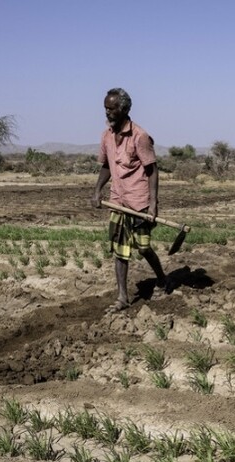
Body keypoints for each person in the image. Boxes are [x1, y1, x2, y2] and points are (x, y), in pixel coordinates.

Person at [91, 87, 169, 311]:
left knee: (143, 248)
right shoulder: (106, 135)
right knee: (120, 250)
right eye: (105, 108)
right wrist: (97, 190)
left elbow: (152, 170)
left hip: (139, 202)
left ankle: (161, 278)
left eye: (111, 108)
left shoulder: (140, 136)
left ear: (123, 109)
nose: (107, 113)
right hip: (117, 201)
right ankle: (122, 298)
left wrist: (153, 205)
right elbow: (107, 165)